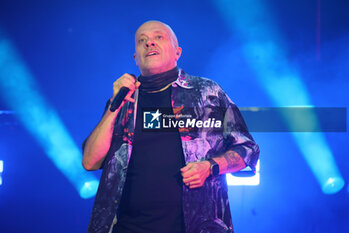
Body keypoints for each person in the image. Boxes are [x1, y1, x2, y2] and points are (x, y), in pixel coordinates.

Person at [82, 20, 259, 233]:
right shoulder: (123, 102)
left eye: (159, 37)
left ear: (177, 52)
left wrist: (209, 166)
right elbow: (90, 162)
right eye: (142, 41)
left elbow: (248, 150)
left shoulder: (207, 93)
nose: (149, 43)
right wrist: (113, 107)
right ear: (135, 59)